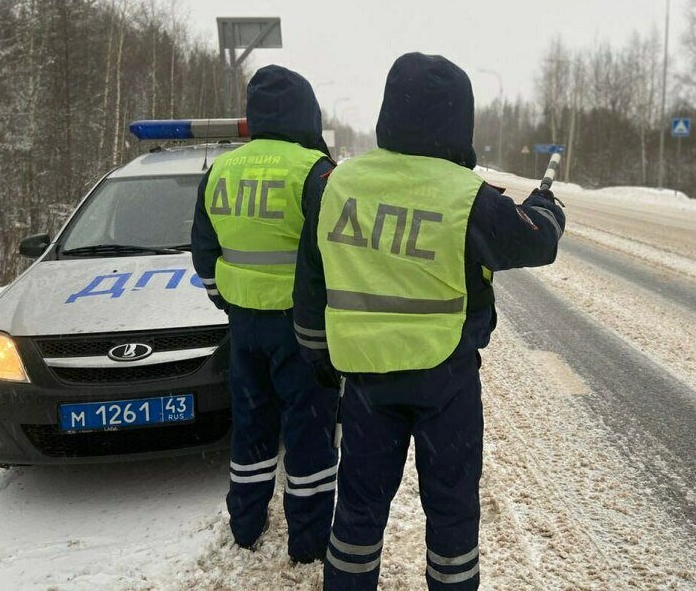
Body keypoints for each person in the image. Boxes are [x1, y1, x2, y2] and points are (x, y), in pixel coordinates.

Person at [292, 52, 565, 590]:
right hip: (446, 383)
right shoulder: (467, 197)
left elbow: (310, 288)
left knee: (358, 513)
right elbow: (536, 240)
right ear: (459, 119)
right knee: (453, 515)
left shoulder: (335, 186)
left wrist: (320, 359)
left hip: (367, 381)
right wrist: (548, 206)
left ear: (389, 112)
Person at [191, 65, 339, 562]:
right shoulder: (315, 171)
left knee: (252, 426)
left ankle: (247, 526)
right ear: (306, 112)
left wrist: (228, 300)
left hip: (245, 327)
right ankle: (309, 540)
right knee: (308, 432)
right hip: (302, 330)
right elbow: (330, 256)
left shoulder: (220, 170)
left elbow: (204, 253)